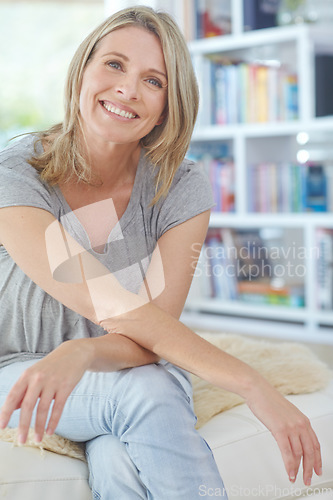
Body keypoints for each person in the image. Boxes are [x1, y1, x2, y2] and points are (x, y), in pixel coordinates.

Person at [0, 5, 321, 500]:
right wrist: (252, 384)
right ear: (82, 68)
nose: (128, 89)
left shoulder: (181, 186)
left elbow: (154, 331)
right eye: (114, 64)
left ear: (170, 104)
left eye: (154, 81)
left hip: (122, 364)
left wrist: (83, 351)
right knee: (147, 392)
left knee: (119, 455)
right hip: (20, 369)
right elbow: (111, 305)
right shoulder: (16, 171)